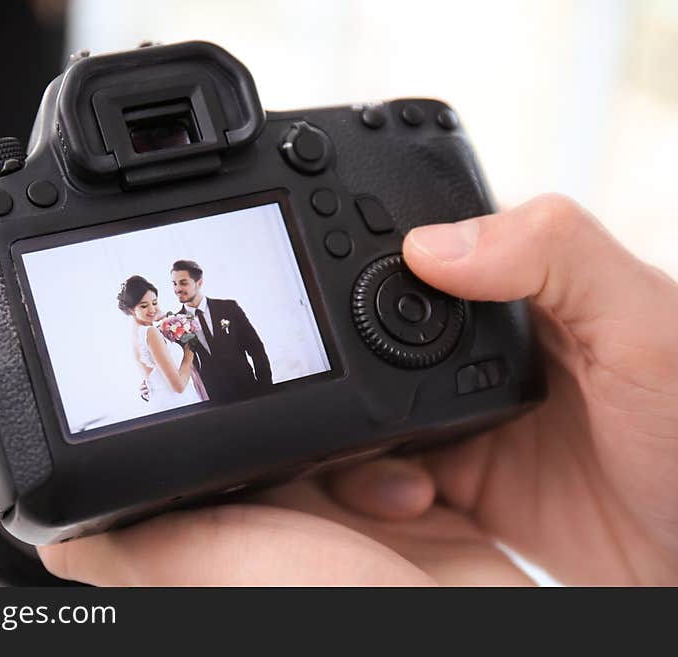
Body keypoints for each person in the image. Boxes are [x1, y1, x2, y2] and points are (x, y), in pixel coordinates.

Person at [45, 195, 678, 586]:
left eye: (172, 292)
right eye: (156, 300)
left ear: (191, 283)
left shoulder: (227, 305)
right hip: (217, 415)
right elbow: (183, 379)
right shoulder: (162, 337)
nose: (166, 302)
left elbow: (258, 351)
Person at [169, 259, 272, 403]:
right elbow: (170, 363)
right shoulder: (174, 324)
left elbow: (256, 348)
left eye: (183, 283)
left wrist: (266, 387)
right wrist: (149, 386)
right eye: (174, 283)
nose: (177, 289)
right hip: (212, 400)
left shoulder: (228, 308)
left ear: (199, 283)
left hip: (249, 391)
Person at [118, 275, 202, 412]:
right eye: (144, 306)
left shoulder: (136, 334)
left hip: (163, 404)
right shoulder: (150, 332)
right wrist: (189, 350)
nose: (152, 309)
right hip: (178, 404)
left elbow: (154, 377)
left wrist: (163, 318)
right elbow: (179, 386)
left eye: (155, 303)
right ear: (131, 309)